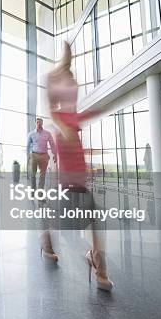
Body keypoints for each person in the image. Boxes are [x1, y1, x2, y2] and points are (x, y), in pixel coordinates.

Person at [43, 41, 113, 291]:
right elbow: (53, 96)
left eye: (73, 84)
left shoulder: (73, 115)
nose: (73, 87)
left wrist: (102, 108)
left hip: (81, 177)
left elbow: (83, 113)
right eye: (68, 83)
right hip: (66, 179)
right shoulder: (58, 117)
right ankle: (47, 243)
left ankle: (97, 261)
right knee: (56, 216)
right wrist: (65, 61)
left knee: (96, 216)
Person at [27, 117, 57, 190]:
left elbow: (52, 144)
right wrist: (28, 156)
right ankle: (33, 190)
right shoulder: (31, 134)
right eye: (37, 122)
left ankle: (40, 195)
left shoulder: (47, 133)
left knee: (42, 176)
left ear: (42, 123)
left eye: (40, 122)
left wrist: (55, 154)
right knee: (32, 174)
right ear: (35, 123)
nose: (39, 124)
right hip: (34, 155)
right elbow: (28, 146)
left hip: (44, 156)